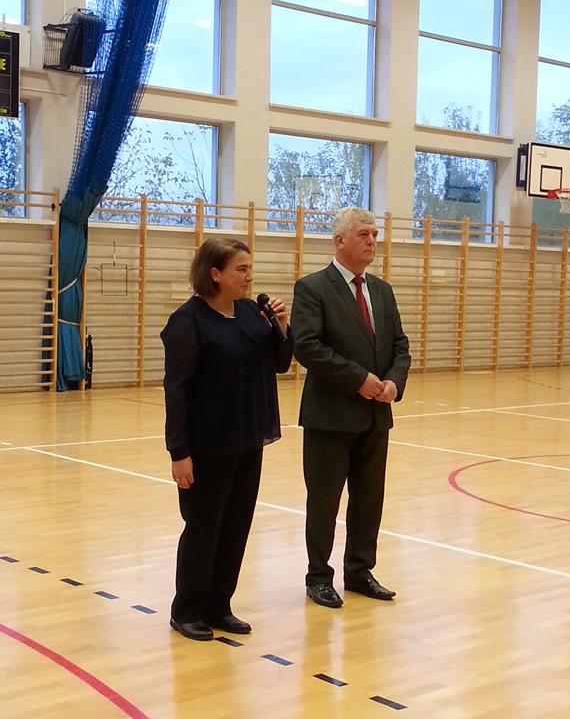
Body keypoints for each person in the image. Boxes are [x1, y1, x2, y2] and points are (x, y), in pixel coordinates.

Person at [161, 238, 293, 641]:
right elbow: (177, 390)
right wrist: (179, 452)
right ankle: (187, 610)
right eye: (241, 269)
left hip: (248, 437)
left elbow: (280, 364)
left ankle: (219, 604)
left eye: (250, 268)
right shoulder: (188, 321)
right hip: (206, 444)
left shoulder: (253, 313)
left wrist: (282, 327)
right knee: (203, 527)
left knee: (236, 526)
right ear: (215, 273)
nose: (249, 276)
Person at [291, 207, 411, 609]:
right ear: (339, 240)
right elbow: (307, 346)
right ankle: (318, 576)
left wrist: (394, 382)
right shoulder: (312, 288)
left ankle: (359, 571)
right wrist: (358, 379)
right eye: (364, 234)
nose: (372, 241)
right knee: (324, 501)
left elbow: (400, 346)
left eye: (375, 234)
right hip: (330, 416)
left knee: (369, 499)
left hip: (376, 415)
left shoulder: (383, 290)